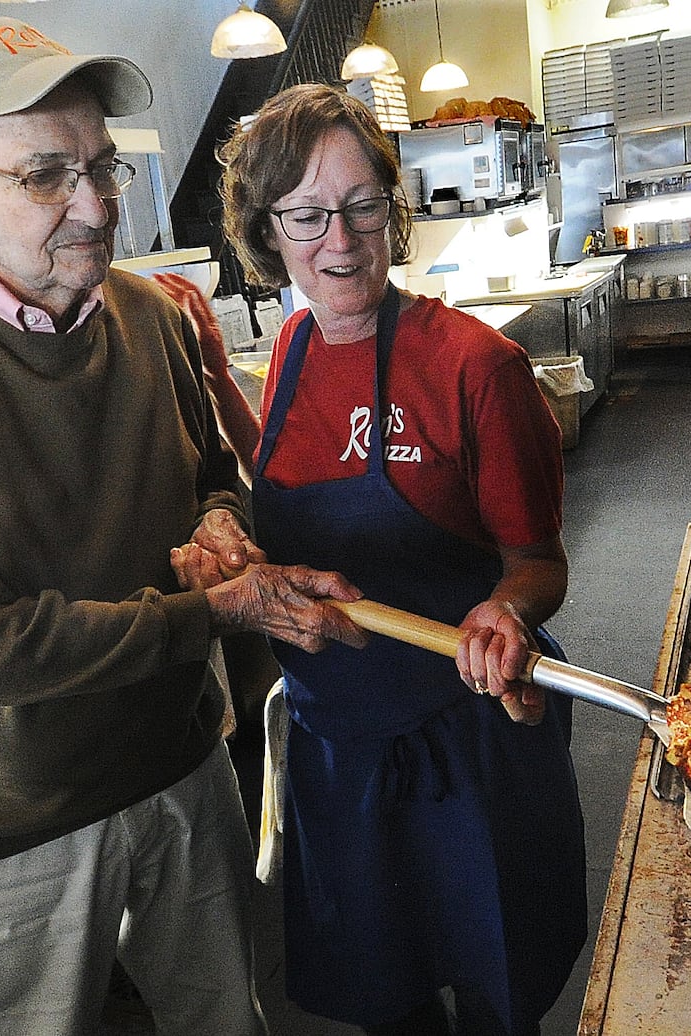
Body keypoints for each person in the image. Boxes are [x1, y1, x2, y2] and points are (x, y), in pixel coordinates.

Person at [0, 19, 368, 1036]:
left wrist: (220, 529)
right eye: (47, 174)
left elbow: (211, 478)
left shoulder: (145, 315)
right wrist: (220, 608)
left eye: (101, 165)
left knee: (227, 1019)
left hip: (176, 771)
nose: (98, 206)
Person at [156, 84, 587, 1036]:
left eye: (361, 207)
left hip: (464, 740)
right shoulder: (300, 344)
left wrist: (506, 612)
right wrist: (221, 398)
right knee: (385, 998)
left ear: (392, 211)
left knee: (493, 990)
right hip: (337, 746)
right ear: (267, 232)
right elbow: (287, 462)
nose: (340, 242)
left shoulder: (474, 367)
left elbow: (537, 560)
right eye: (307, 215)